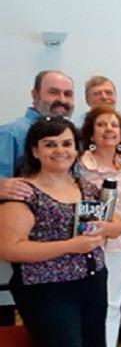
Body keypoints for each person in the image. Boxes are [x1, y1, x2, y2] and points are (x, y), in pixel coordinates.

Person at [0, 117, 121, 347]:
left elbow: (116, 222)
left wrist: (107, 228)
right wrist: (70, 246)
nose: (60, 150)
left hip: (93, 282)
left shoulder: (84, 186)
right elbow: (9, 248)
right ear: (35, 151)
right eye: (50, 144)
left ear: (76, 149)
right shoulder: (24, 192)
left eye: (66, 144)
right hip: (49, 291)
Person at [0, 70, 74, 325]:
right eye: (54, 92)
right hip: (31, 259)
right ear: (35, 95)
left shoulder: (72, 135)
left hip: (71, 260)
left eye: (67, 94)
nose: (62, 99)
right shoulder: (12, 133)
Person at [77, 105, 121, 347]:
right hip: (89, 245)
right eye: (101, 124)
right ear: (91, 134)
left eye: (113, 125)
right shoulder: (81, 165)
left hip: (119, 242)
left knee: (113, 303)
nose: (108, 129)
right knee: (91, 306)